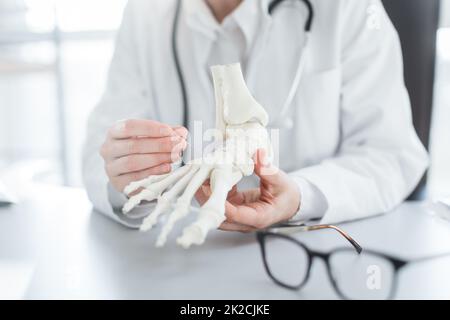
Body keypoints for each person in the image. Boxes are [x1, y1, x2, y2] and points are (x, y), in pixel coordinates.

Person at [82, 0, 428, 231]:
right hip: (188, 262)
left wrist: (302, 196)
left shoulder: (348, 8)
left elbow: (391, 153)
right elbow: (101, 152)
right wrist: (126, 179)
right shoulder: (147, 12)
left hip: (312, 254)